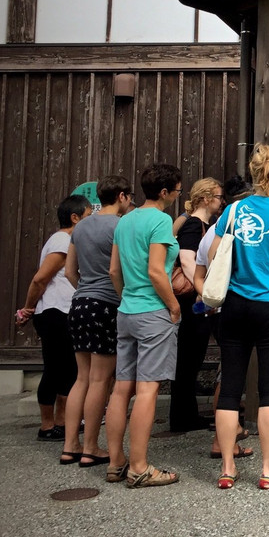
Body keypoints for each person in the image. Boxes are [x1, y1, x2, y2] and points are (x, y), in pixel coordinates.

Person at [208, 144, 269, 490]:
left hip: (234, 305)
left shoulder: (233, 210)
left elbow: (212, 254)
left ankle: (227, 467)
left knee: (231, 388)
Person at [105, 164, 183, 488]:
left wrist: (128, 299)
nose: (179, 195)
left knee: (121, 387)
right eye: (178, 190)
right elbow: (156, 270)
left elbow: (113, 270)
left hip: (127, 311)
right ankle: (139, 466)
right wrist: (174, 306)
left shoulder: (125, 220)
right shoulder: (161, 220)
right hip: (154, 311)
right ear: (164, 192)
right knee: (147, 389)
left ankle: (116, 462)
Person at [60, 176, 132, 466]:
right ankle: (91, 447)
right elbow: (120, 269)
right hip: (107, 303)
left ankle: (70, 445)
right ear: (123, 196)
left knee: (82, 378)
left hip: (79, 304)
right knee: (101, 379)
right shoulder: (120, 226)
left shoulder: (81, 226)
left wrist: (85, 290)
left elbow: (68, 272)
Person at [17, 194, 91, 443]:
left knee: (68, 369)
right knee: (55, 369)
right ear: (75, 217)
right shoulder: (61, 241)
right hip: (54, 312)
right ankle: (47, 424)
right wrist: (27, 309)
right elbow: (40, 279)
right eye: (88, 216)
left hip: (63, 311)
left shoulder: (67, 241)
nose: (90, 221)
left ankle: (61, 421)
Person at [192, 174, 252, 459]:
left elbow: (198, 273)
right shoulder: (236, 230)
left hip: (220, 310)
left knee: (228, 375)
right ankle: (221, 440)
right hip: (234, 309)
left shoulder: (212, 233)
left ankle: (229, 433)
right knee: (227, 377)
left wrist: (209, 299)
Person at [169, 177, 223, 434]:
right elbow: (187, 260)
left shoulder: (203, 224)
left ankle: (186, 415)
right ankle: (182, 417)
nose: (221, 201)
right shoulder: (193, 225)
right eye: (218, 196)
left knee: (192, 357)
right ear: (205, 198)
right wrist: (205, 291)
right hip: (192, 300)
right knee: (189, 357)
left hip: (195, 298)